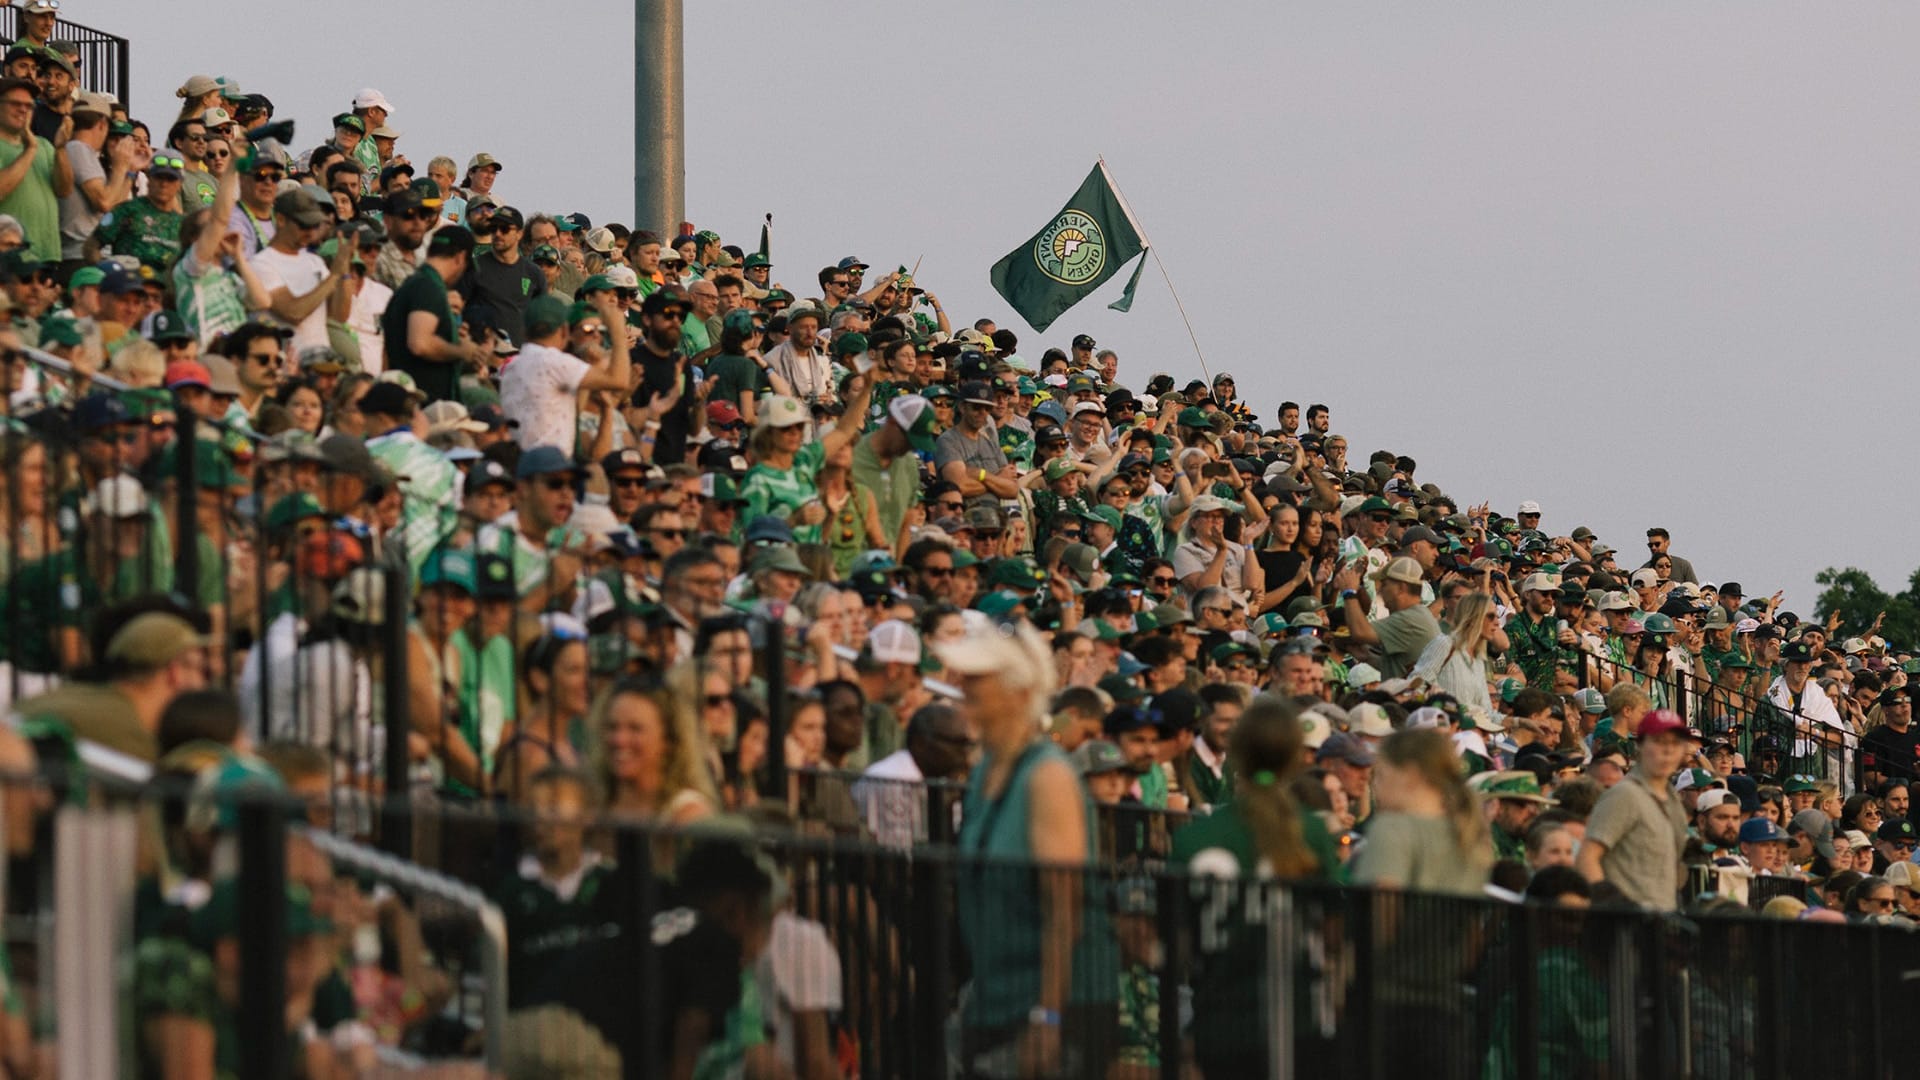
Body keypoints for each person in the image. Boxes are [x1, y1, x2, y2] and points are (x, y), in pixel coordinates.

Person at [943, 621, 1116, 1078]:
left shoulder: (1047, 777)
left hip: (1054, 1009)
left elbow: (1066, 908)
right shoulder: (984, 773)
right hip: (996, 1000)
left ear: (1019, 693)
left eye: (981, 679)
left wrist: (1049, 1016)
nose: (965, 687)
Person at [1170, 693, 1340, 1077]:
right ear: (1295, 758)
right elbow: (1332, 928)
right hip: (1294, 1017)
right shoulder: (1310, 831)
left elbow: (1176, 939)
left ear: (1238, 755)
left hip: (1217, 1015)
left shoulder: (1194, 837)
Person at [1578, 708, 1695, 909]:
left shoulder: (1673, 798)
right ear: (1640, 746)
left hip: (1662, 922)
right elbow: (1586, 858)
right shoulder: (1625, 794)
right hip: (1628, 927)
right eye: (1659, 741)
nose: (1668, 750)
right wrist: (1612, 907)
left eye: (1675, 743)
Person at [1335, 555, 1440, 680]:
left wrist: (1349, 592)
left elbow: (1360, 632)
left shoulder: (1409, 618)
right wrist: (1367, 657)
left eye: (1385, 585)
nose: (1381, 590)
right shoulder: (1419, 614)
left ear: (1401, 588)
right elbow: (1400, 667)